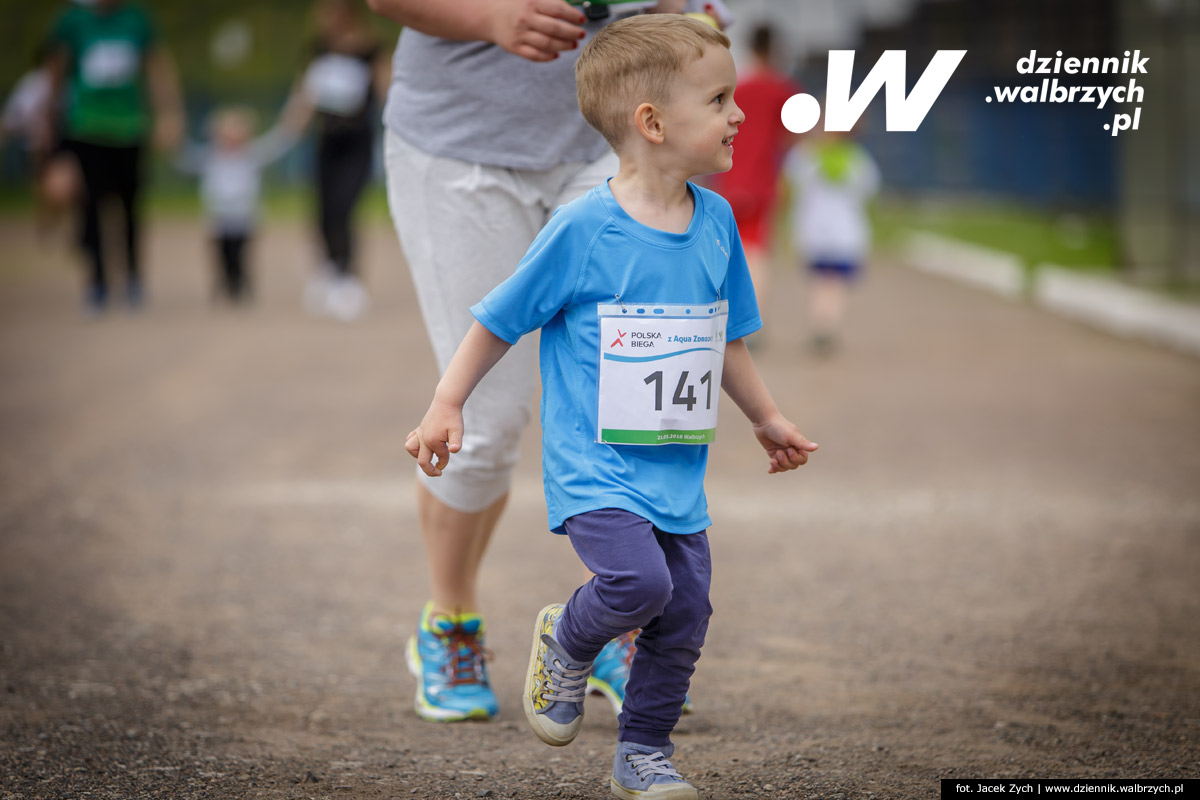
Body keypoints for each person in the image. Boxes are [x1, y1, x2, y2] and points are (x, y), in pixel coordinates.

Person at [405, 15, 817, 798]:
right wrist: (447, 403)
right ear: (652, 124)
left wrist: (767, 418)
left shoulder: (718, 223)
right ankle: (568, 639)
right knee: (640, 587)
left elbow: (725, 339)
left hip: (676, 473)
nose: (739, 115)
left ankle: (643, 753)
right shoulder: (583, 228)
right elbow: (499, 317)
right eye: (720, 99)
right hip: (596, 468)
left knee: (686, 611)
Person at [367, 0, 698, 724]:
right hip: (459, 146)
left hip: (610, 144)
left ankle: (608, 623)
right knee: (485, 421)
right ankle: (449, 624)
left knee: (630, 398)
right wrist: (489, 18)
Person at [42, 0, 183, 312]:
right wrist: (50, 128)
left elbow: (157, 67)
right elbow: (55, 74)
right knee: (90, 206)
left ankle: (133, 276)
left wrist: (169, 113)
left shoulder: (137, 19)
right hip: (86, 127)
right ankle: (97, 282)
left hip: (131, 127)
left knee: (131, 206)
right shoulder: (72, 21)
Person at [285, 0, 390, 322]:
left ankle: (347, 276)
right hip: (325, 142)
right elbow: (304, 96)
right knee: (322, 209)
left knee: (345, 206)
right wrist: (288, 129)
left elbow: (387, 91)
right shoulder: (317, 50)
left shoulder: (371, 50)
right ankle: (329, 269)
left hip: (357, 142)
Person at [708, 23, 800, 328]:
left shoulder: (736, 90)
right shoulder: (784, 91)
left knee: (724, 249)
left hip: (728, 179)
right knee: (757, 251)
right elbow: (791, 139)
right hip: (762, 182)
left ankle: (720, 315)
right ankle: (752, 321)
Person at [174, 108, 298, 303]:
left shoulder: (251, 155)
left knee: (241, 253)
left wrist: (293, 122)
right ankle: (225, 281)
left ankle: (241, 282)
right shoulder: (210, 156)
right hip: (218, 216)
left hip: (244, 216)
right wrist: (172, 138)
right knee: (222, 253)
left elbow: (277, 143)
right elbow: (183, 157)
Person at [785, 128, 881, 354]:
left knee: (819, 281)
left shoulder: (806, 154)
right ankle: (828, 325)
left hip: (813, 231)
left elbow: (792, 180)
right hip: (845, 233)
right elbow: (870, 188)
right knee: (835, 283)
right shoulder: (857, 158)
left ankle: (820, 322)